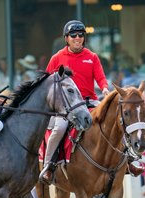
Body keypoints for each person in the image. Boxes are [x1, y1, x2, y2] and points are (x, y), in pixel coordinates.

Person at [39, 20, 110, 184]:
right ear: (66, 38)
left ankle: (127, 162)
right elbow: (46, 82)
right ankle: (49, 167)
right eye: (73, 35)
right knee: (59, 128)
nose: (78, 38)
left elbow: (100, 77)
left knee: (112, 120)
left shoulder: (92, 57)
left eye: (81, 35)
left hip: (89, 102)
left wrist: (105, 88)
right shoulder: (57, 58)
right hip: (65, 107)